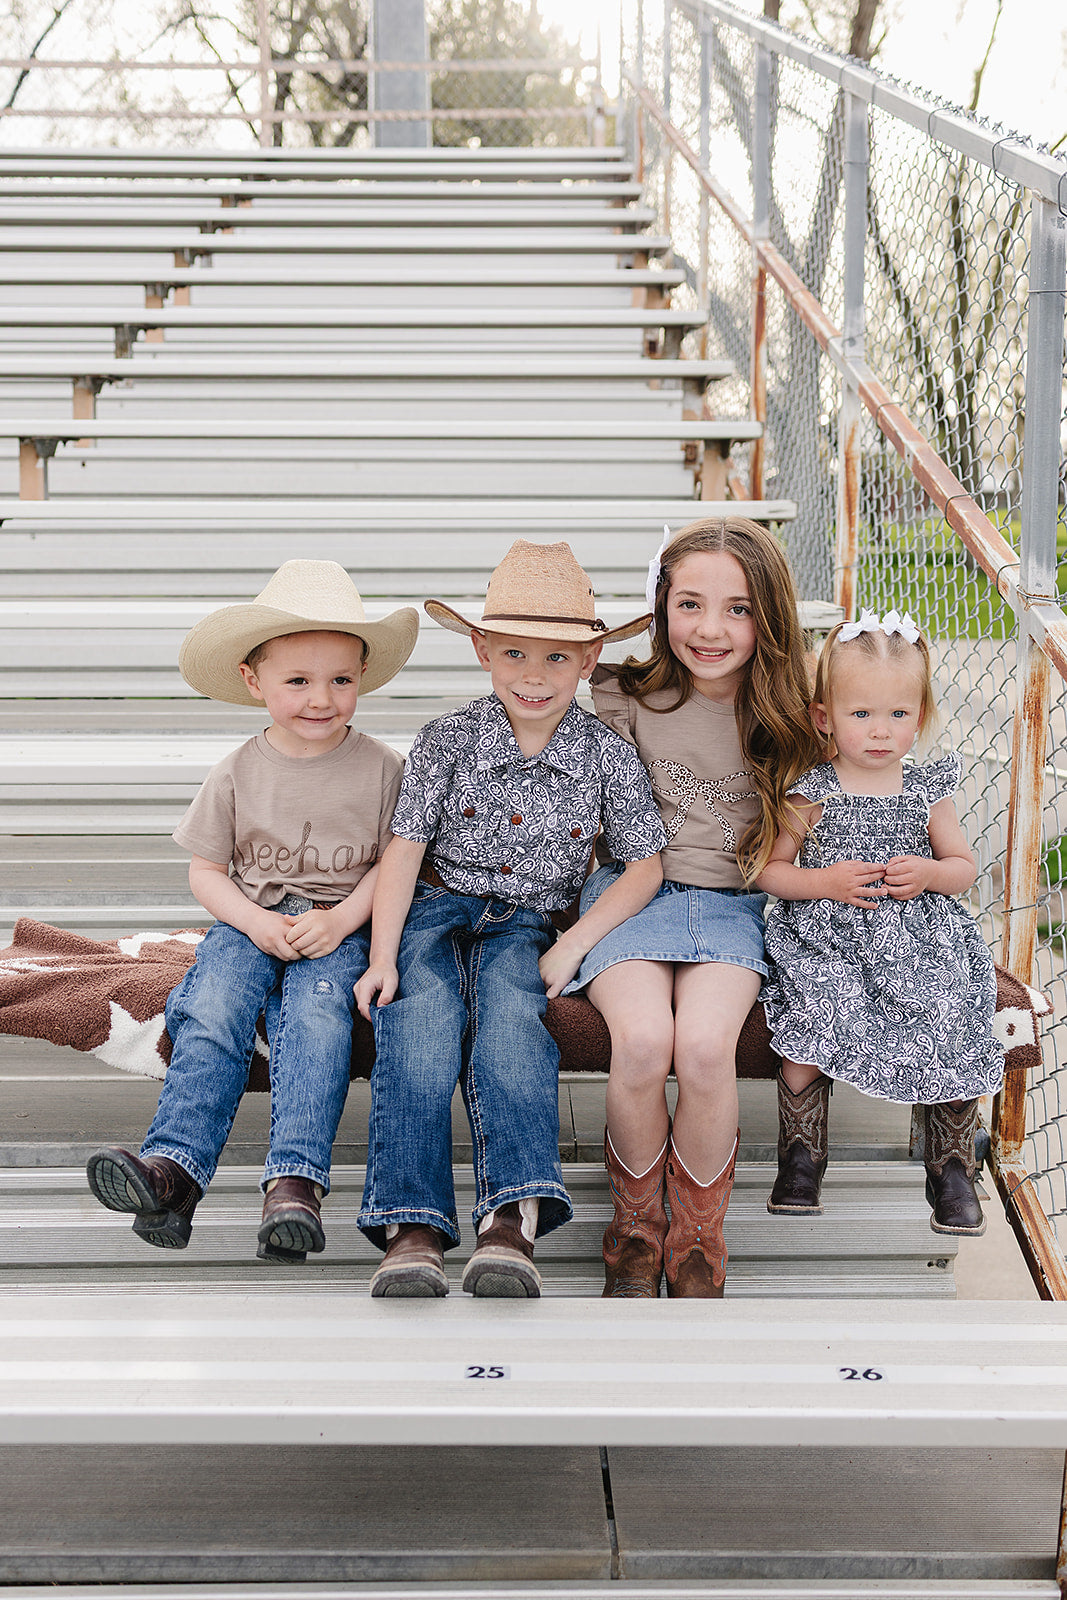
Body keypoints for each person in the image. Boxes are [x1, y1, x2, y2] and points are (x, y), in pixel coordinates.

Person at [354, 539, 667, 1299]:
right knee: (418, 1031)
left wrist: (576, 943)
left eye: (559, 658)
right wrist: (383, 956)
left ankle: (512, 1220)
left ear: (591, 661)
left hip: (527, 925)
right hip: (434, 912)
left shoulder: (605, 754)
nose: (535, 675)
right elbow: (402, 852)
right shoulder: (447, 740)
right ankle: (412, 1227)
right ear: (480, 650)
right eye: (516, 654)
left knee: (510, 1034)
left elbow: (644, 866)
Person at [85, 560, 419, 1261]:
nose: (320, 698)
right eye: (296, 681)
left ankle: (294, 1183)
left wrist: (341, 920)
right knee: (210, 1010)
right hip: (250, 920)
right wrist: (255, 922)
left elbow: (397, 865)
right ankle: (172, 1170)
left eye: (339, 680)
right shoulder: (238, 769)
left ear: (362, 678)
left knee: (317, 1019)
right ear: (253, 681)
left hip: (337, 926)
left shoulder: (384, 767)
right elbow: (205, 872)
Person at [563, 517, 821, 1300]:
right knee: (642, 1043)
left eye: (738, 609)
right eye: (690, 604)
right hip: (631, 896)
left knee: (706, 1050)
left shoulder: (791, 718)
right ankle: (635, 1230)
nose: (710, 629)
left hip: (733, 908)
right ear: (660, 605)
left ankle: (698, 1238)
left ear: (768, 617)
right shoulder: (624, 697)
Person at [756, 608, 1003, 1236]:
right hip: (828, 935)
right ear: (824, 718)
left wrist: (928, 873)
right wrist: (822, 883)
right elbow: (770, 872)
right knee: (815, 1006)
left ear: (918, 718)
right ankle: (802, 1157)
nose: (880, 731)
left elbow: (963, 866)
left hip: (918, 935)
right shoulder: (810, 788)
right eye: (861, 714)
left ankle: (949, 1166)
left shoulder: (926, 785)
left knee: (950, 1007)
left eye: (898, 714)